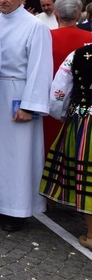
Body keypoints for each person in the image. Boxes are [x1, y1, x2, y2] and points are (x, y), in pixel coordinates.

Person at [0, 0, 53, 231]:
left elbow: (41, 68)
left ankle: (17, 210)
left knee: (17, 156)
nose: (3, 0)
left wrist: (30, 106)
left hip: (19, 95)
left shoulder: (35, 26)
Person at [39, 43, 92, 251]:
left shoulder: (79, 54)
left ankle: (91, 233)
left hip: (85, 119)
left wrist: (63, 115)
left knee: (87, 173)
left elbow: (59, 91)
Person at [45, 0, 92, 155]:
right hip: (84, 110)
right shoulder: (90, 39)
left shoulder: (46, 38)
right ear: (79, 15)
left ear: (56, 13)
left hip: (49, 106)